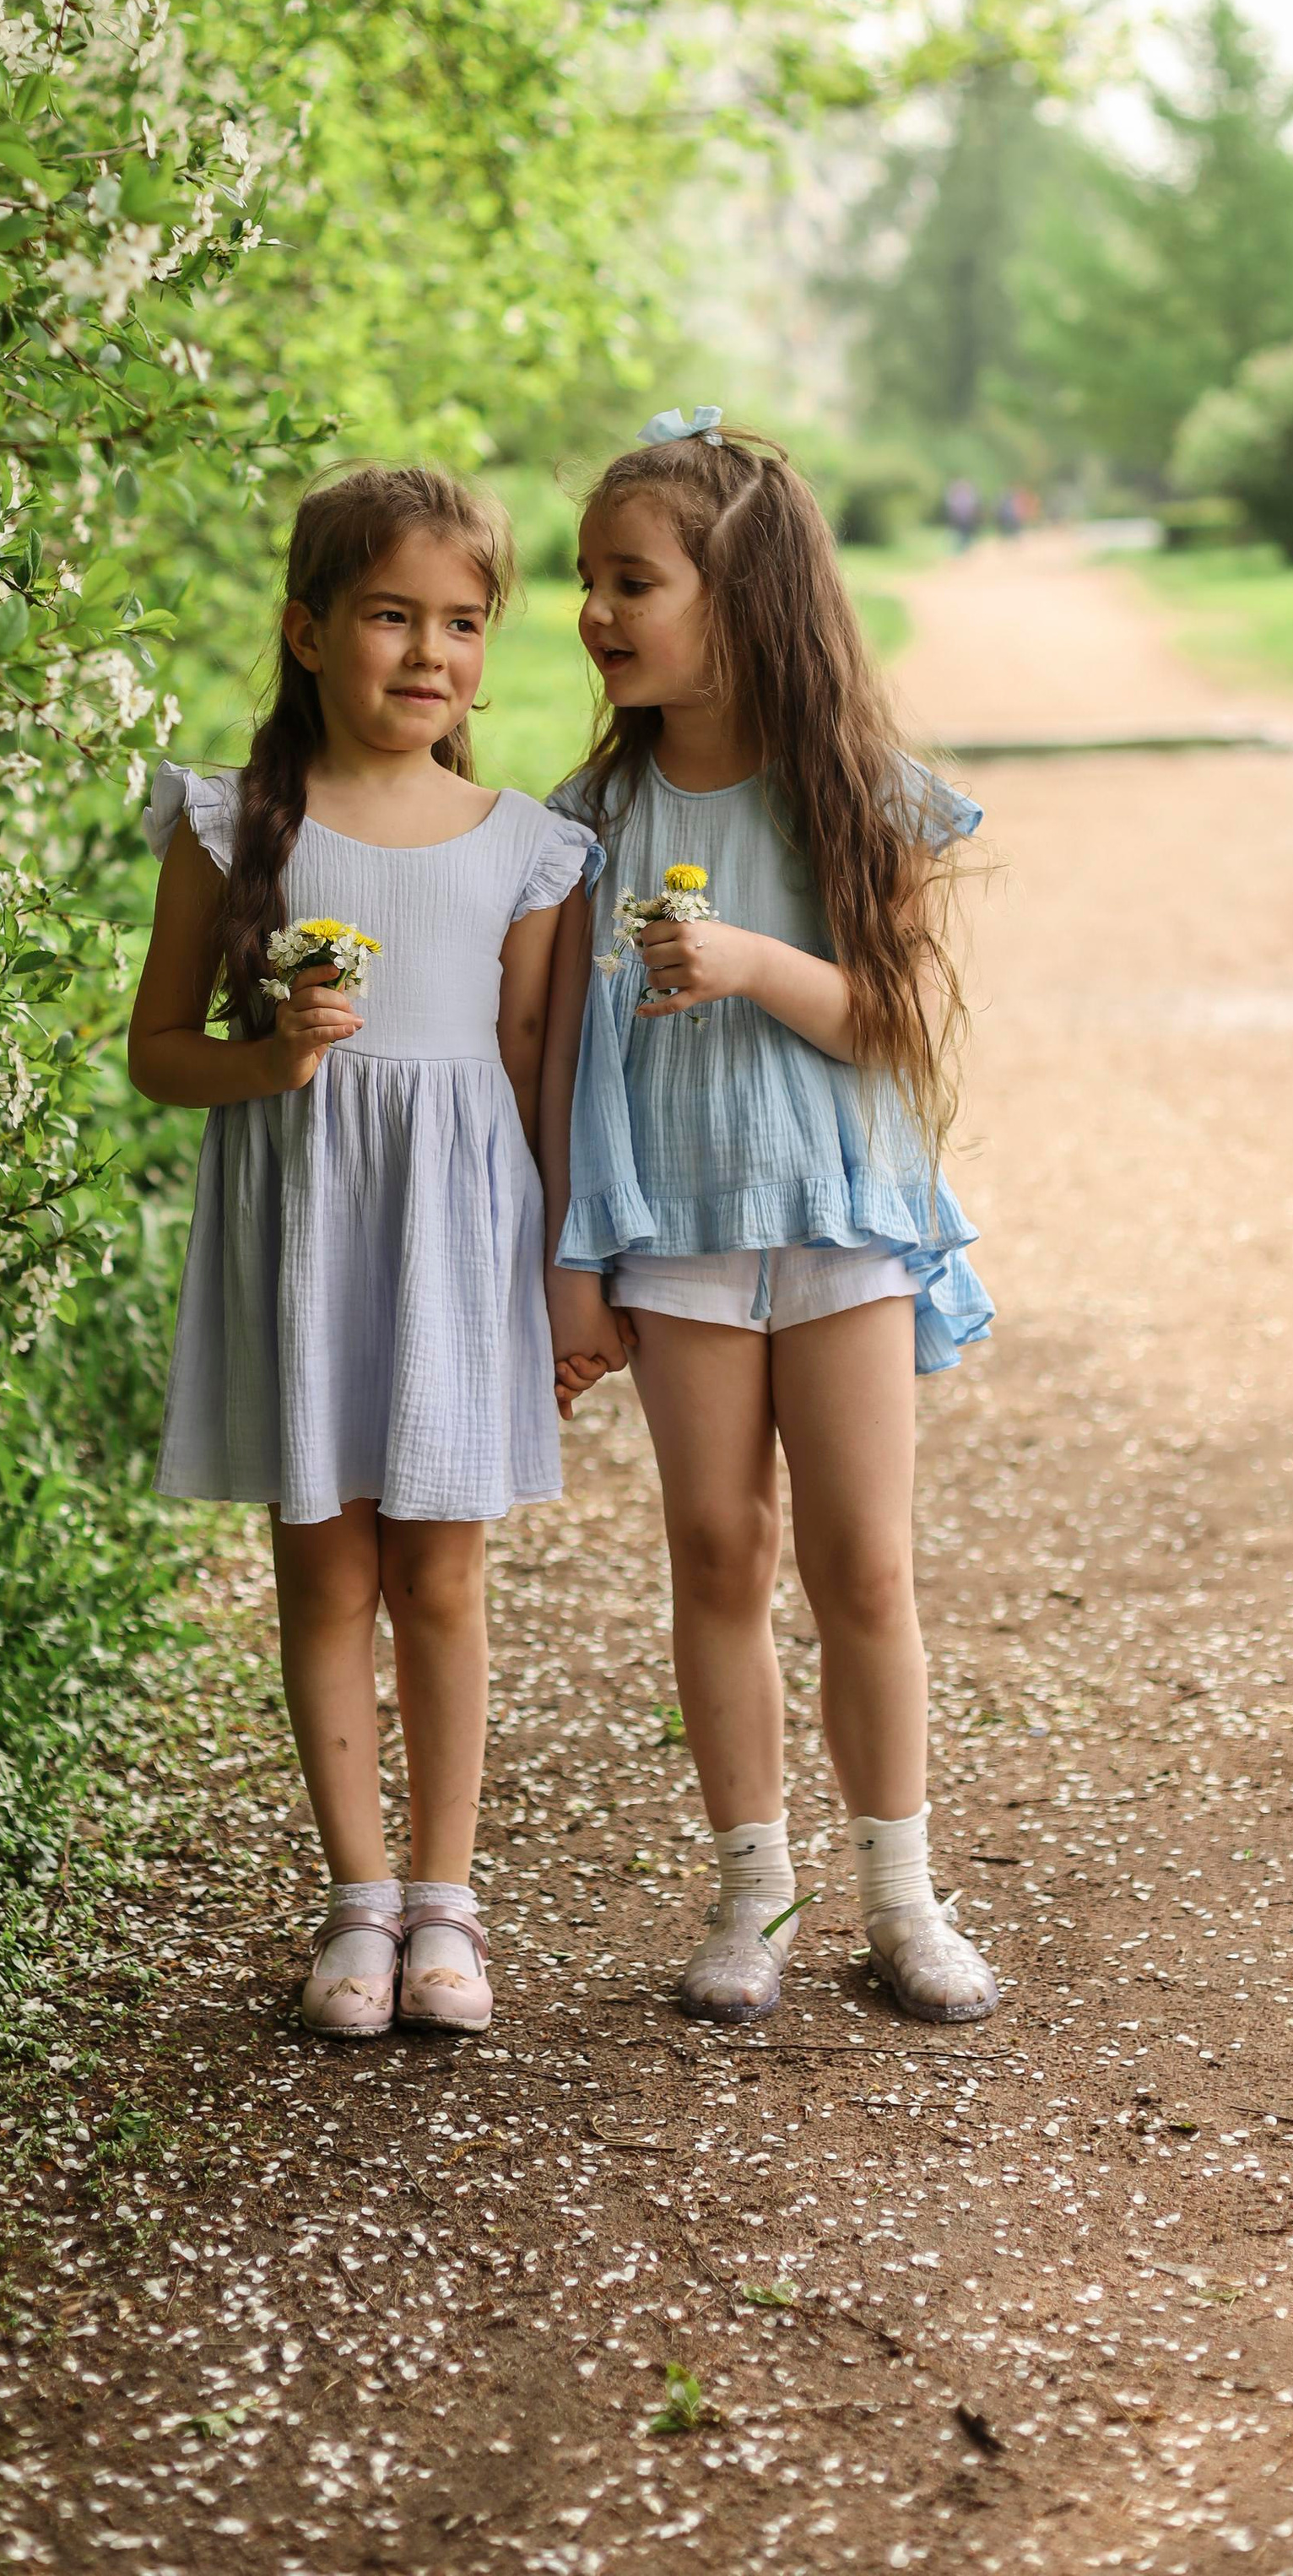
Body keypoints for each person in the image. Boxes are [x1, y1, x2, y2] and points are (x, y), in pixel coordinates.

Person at [539, 409, 998, 2029]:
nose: (595, 613)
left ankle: (901, 1893)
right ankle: (755, 1890)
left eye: (630, 582)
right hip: (675, 1231)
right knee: (716, 1550)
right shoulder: (586, 824)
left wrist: (749, 964)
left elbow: (901, 1025)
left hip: (841, 1224)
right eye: (588, 582)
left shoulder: (849, 792)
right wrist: (575, 1261)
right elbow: (564, 1065)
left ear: (738, 599)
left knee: (863, 1565)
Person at [127, 465, 597, 2041]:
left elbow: (537, 1069)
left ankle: (449, 1906)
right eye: (391, 615)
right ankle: (357, 1899)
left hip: (459, 1242)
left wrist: (563, 1278)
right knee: (326, 1568)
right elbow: (155, 1052)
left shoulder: (522, 844)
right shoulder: (236, 823)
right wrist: (270, 1060)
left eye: (462, 623)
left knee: (443, 1573)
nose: (428, 654)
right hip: (307, 1229)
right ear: (308, 630)